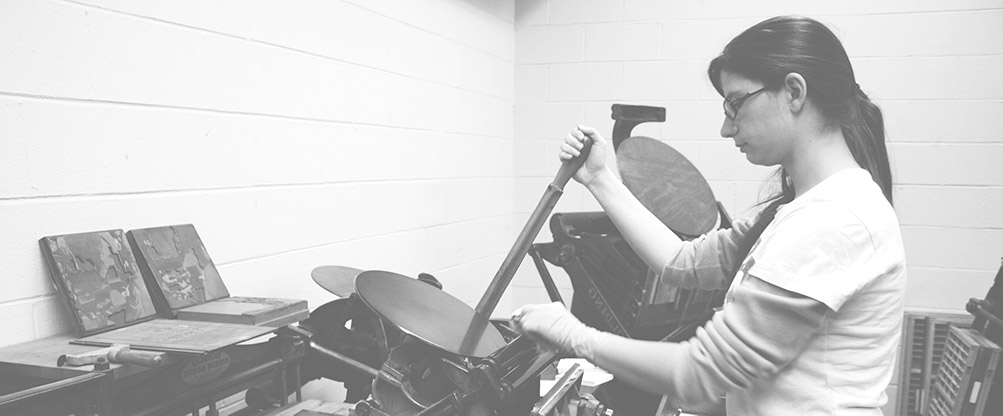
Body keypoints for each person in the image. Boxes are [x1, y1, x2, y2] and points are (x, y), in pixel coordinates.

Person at [511, 15, 906, 415]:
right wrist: (600, 179)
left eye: (735, 103)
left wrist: (575, 336)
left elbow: (704, 370)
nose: (725, 127)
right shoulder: (798, 210)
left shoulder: (833, 219)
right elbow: (683, 262)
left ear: (794, 92)